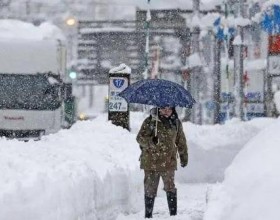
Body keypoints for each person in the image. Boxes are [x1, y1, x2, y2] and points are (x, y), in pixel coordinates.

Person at [136, 106, 188, 218]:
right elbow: (139, 138)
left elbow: (181, 141)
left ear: (173, 110)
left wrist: (184, 157)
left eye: (169, 109)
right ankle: (148, 215)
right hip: (151, 162)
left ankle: (173, 215)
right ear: (158, 109)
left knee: (170, 188)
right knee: (150, 189)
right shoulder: (150, 121)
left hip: (168, 162)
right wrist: (151, 141)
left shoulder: (176, 123)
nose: (166, 111)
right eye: (163, 108)